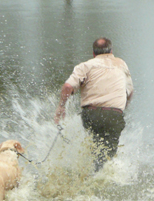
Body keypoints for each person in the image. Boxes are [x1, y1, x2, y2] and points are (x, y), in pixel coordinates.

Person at [54, 37, 134, 171]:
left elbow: (68, 87)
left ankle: (91, 175)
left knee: (96, 147)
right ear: (111, 51)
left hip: (91, 114)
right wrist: (120, 110)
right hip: (115, 115)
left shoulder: (86, 65)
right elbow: (130, 92)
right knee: (108, 156)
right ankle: (101, 176)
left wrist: (61, 106)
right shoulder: (121, 64)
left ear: (93, 53)